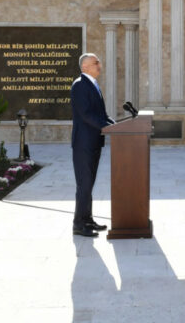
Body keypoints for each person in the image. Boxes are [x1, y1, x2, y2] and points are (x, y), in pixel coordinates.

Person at [71, 53, 115, 237]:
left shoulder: (93, 84)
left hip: (94, 142)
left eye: (99, 61)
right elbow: (86, 114)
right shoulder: (80, 85)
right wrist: (107, 126)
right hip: (84, 143)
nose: (100, 64)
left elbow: (101, 114)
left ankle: (87, 219)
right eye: (96, 62)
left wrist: (114, 125)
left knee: (89, 184)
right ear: (85, 67)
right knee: (84, 184)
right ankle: (79, 224)